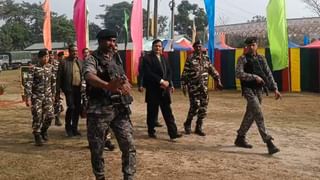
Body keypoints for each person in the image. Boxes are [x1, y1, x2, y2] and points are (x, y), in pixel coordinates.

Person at [84, 29, 136, 180]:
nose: (112, 44)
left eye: (114, 41)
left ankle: (129, 176)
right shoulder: (92, 58)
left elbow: (122, 76)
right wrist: (107, 85)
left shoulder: (116, 57)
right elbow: (89, 76)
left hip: (119, 109)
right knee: (97, 148)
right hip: (99, 110)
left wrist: (125, 84)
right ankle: (100, 177)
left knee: (129, 145)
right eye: (109, 41)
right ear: (100, 41)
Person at [234, 37, 281, 155]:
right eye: (249, 45)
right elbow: (238, 73)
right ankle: (269, 142)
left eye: (253, 45)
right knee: (258, 113)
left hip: (259, 90)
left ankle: (240, 137)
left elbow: (268, 73)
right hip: (248, 89)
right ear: (246, 46)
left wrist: (275, 88)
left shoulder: (261, 59)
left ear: (257, 45)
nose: (251, 47)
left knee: (251, 114)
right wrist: (254, 77)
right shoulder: (242, 59)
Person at [181, 40, 223, 136]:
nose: (199, 48)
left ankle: (198, 127)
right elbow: (185, 73)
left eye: (200, 46)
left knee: (203, 108)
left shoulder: (206, 58)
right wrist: (184, 85)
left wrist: (218, 80)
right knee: (194, 106)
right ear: (194, 48)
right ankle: (187, 123)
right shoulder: (190, 58)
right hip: (193, 87)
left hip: (204, 88)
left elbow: (212, 70)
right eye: (197, 47)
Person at [142, 39, 182, 140]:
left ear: (162, 48)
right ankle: (151, 131)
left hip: (164, 90)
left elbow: (169, 71)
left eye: (159, 46)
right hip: (153, 89)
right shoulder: (147, 58)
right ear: (152, 47)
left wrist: (168, 82)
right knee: (152, 112)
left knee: (168, 112)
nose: (158, 48)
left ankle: (173, 133)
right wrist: (161, 81)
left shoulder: (164, 58)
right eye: (156, 46)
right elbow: (148, 73)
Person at [25, 49, 56, 146]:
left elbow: (53, 82)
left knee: (50, 116)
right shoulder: (33, 68)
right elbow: (28, 83)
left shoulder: (50, 67)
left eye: (47, 57)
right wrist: (28, 97)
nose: (46, 59)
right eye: (44, 57)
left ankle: (44, 130)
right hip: (37, 97)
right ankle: (37, 134)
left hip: (48, 96)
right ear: (39, 58)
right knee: (37, 116)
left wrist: (54, 95)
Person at [58, 44, 83, 137]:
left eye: (76, 51)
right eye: (73, 51)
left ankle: (75, 128)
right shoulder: (64, 62)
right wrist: (58, 91)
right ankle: (68, 127)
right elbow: (59, 78)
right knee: (71, 107)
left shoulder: (80, 62)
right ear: (69, 52)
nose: (75, 53)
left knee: (77, 109)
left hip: (78, 89)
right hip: (69, 89)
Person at [137, 51, 163, 128]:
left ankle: (155, 120)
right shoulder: (143, 60)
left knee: (157, 104)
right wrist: (140, 85)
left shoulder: (154, 59)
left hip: (157, 84)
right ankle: (151, 123)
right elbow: (141, 73)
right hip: (149, 84)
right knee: (151, 105)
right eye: (142, 53)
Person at [49, 51, 63, 126]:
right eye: (49, 55)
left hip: (56, 87)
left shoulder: (57, 64)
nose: (51, 57)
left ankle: (57, 118)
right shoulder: (45, 65)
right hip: (47, 88)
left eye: (52, 55)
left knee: (58, 103)